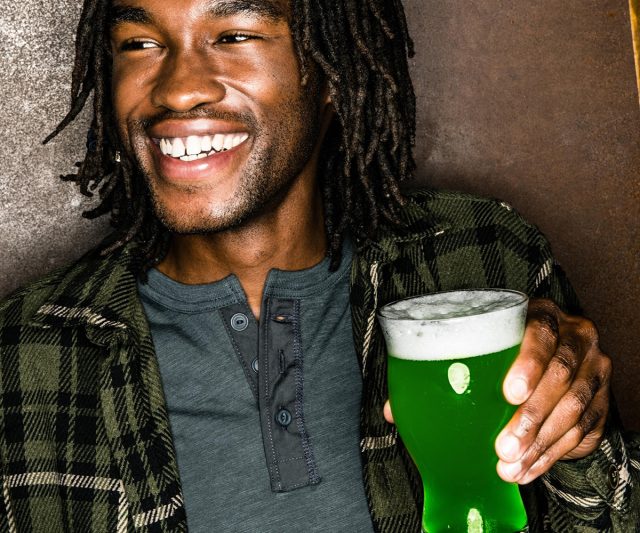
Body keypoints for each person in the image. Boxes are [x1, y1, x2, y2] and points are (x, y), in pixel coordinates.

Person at [0, 0, 638, 531]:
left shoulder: (483, 258)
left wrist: (583, 438)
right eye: (139, 43)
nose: (178, 87)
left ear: (332, 74)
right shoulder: (25, 354)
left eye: (234, 34)